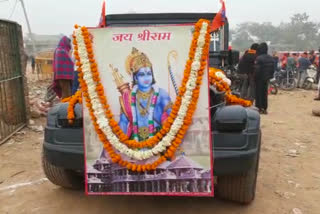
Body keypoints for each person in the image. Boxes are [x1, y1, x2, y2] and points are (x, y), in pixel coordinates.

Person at [117, 48, 173, 141]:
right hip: (135, 141)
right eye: (142, 74)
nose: (146, 78)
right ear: (135, 77)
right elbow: (123, 122)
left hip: (157, 139)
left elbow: (173, 118)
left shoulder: (161, 94)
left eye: (149, 74)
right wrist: (119, 142)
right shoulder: (128, 97)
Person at [254, 42, 275, 114]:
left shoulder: (259, 58)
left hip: (259, 78)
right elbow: (273, 69)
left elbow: (257, 70)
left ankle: (259, 108)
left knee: (258, 93)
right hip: (267, 78)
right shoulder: (271, 58)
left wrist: (254, 77)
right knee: (265, 93)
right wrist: (270, 76)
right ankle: (264, 108)